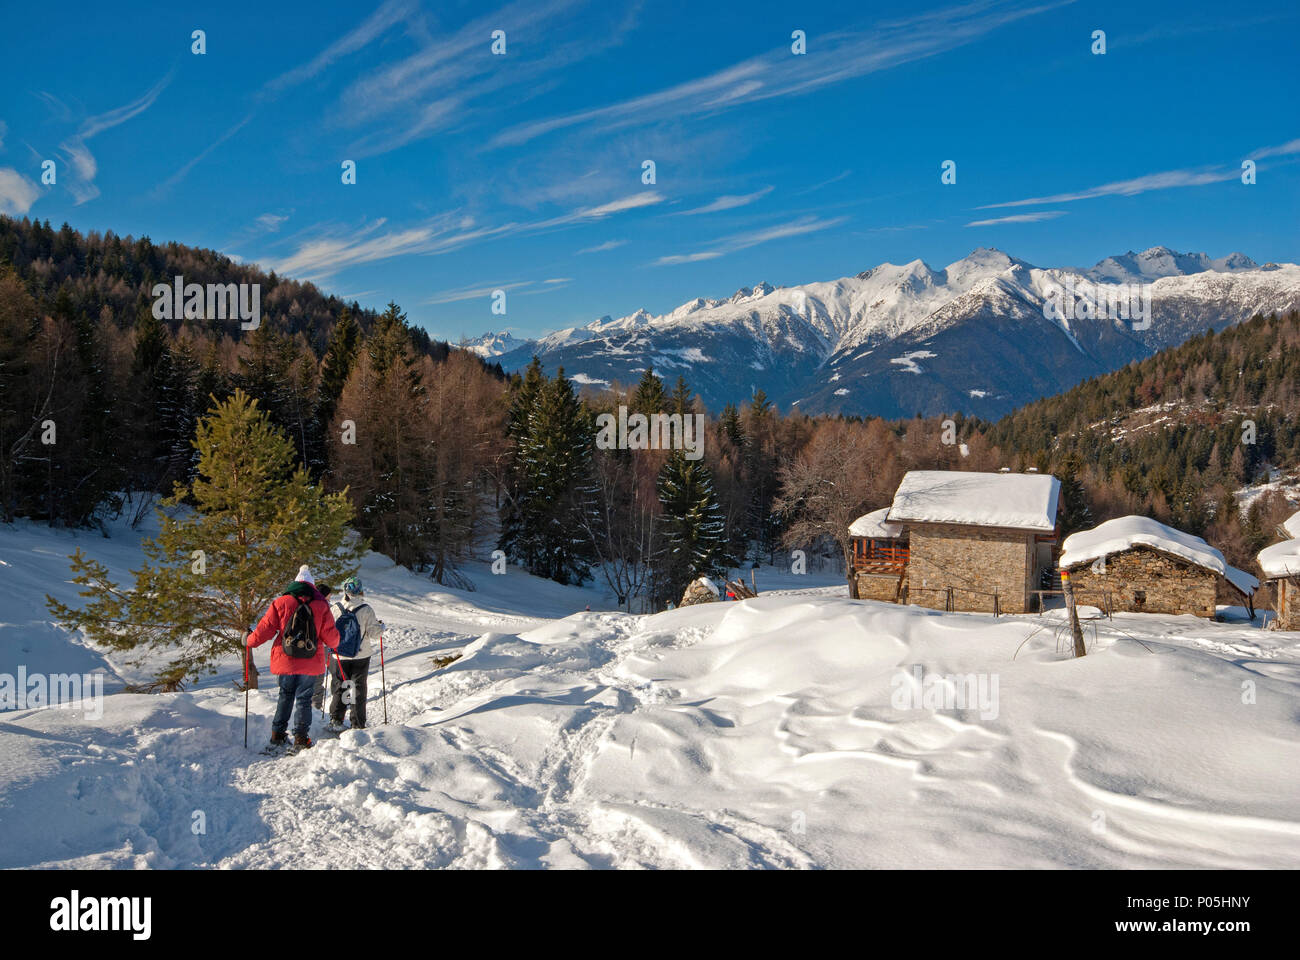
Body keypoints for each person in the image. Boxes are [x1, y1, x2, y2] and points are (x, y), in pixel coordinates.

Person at [246, 564, 340, 751]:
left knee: (285, 695)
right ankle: (300, 739)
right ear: (312, 586)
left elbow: (264, 630)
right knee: (304, 699)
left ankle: (277, 736)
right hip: (311, 661)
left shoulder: (281, 602)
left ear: (294, 584)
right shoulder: (321, 605)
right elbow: (332, 639)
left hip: (285, 659)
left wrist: (248, 640)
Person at [327, 576, 382, 732]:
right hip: (361, 655)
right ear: (360, 591)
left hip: (338, 655)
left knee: (340, 685)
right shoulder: (366, 610)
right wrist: (381, 627)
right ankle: (357, 723)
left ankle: (336, 719)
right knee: (358, 688)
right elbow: (374, 634)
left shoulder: (335, 608)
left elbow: (329, 631)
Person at [311, 584, 334, 713]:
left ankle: (310, 705)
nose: (330, 597)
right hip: (322, 646)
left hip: (306, 647)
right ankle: (316, 707)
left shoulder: (308, 605)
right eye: (329, 595)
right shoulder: (327, 608)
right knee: (319, 677)